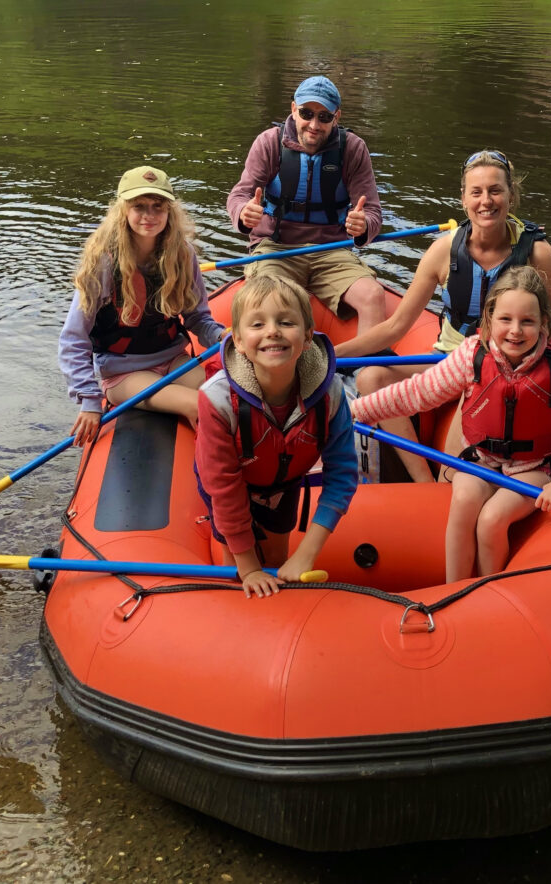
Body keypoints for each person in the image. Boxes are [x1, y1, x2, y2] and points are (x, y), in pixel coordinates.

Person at [352, 266, 551, 582]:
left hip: (534, 468)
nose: (515, 331)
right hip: (481, 458)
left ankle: (487, 590)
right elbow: (418, 393)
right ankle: (454, 587)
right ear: (489, 318)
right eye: (505, 319)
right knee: (462, 501)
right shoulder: (471, 354)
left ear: (543, 323)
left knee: (491, 519)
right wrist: (357, 410)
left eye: (527, 321)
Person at [350, 149, 551, 481]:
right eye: (476, 192)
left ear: (511, 196)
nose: (486, 201)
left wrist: (531, 345)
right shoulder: (443, 250)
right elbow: (395, 326)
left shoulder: (537, 253)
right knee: (369, 378)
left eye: (495, 190)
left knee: (457, 466)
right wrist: (329, 354)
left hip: (499, 369)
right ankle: (423, 482)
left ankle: (447, 480)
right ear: (463, 199)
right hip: (447, 360)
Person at [195, 276, 358, 599]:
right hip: (234, 486)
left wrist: (306, 554)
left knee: (279, 562)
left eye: (286, 322)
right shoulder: (216, 401)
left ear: (308, 336)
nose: (272, 331)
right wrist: (249, 567)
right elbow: (224, 490)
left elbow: (342, 475)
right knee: (242, 575)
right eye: (258, 324)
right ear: (238, 341)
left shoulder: (332, 396)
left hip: (283, 486)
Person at [58, 166, 225, 446]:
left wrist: (223, 337)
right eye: (139, 206)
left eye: (158, 207)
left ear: (169, 211)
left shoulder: (182, 255)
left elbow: (198, 320)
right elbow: (73, 339)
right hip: (124, 373)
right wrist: (89, 399)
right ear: (124, 210)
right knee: (202, 405)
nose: (149, 215)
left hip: (174, 361)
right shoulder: (104, 263)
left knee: (229, 400)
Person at [227, 75, 387, 337]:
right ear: (293, 110)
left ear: (336, 117)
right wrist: (244, 212)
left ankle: (366, 373)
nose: (314, 124)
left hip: (331, 249)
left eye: (324, 117)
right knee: (272, 303)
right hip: (276, 247)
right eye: (306, 113)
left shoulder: (353, 149)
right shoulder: (269, 142)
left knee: (372, 295)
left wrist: (363, 226)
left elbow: (372, 213)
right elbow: (239, 195)